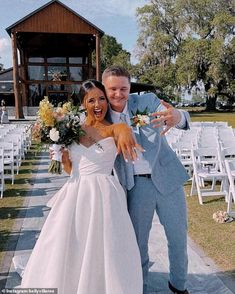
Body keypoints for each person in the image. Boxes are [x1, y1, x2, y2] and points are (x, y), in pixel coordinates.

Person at [18, 80, 143, 293]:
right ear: (83, 103)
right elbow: (70, 170)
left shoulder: (115, 128)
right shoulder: (71, 129)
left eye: (102, 98)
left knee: (104, 247)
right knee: (69, 245)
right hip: (75, 192)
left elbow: (125, 136)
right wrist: (62, 157)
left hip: (105, 195)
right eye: (91, 100)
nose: (97, 104)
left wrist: (124, 130)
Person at [102, 66, 190, 294]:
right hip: (136, 186)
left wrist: (177, 116)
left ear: (130, 88)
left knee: (178, 239)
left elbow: (176, 117)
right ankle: (138, 288)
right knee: (137, 244)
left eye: (123, 88)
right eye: (113, 89)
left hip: (168, 179)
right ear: (104, 88)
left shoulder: (147, 101)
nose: (118, 94)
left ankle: (178, 285)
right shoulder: (100, 116)